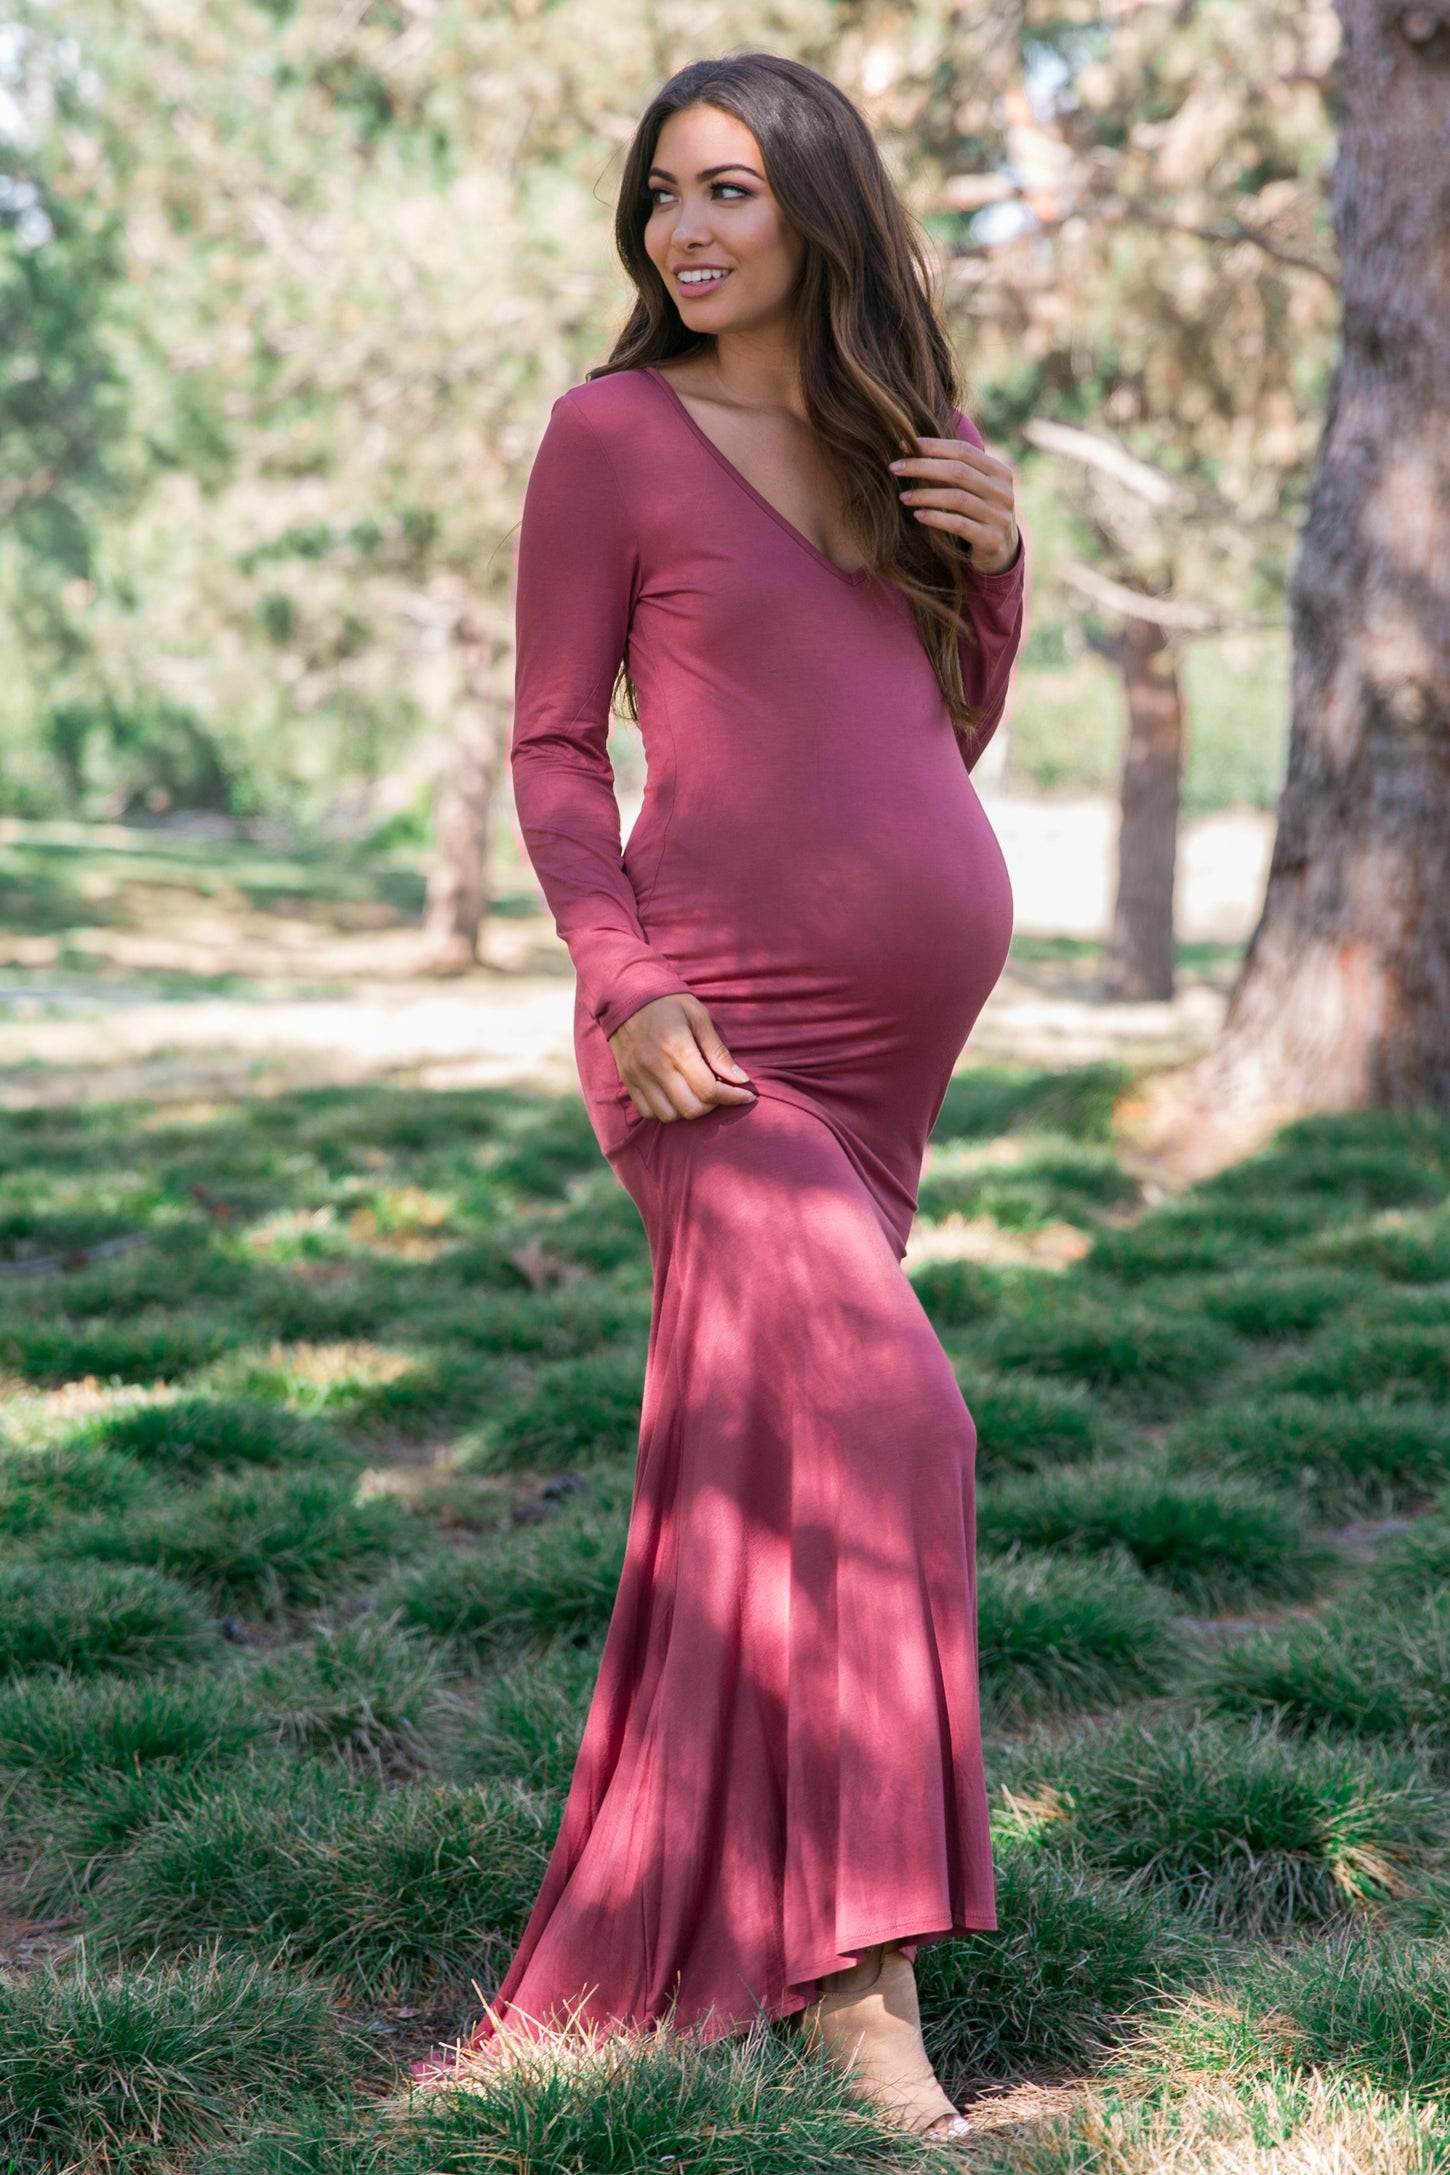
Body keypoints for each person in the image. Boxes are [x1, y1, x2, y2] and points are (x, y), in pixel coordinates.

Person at [427, 50, 1024, 2144]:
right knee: (898, 1426)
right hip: (707, 1036)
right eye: (664, 194)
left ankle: (713, 1925)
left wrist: (995, 569)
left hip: (881, 1071)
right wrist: (624, 977)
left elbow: (929, 731)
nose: (682, 230)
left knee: (783, 1486)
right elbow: (552, 749)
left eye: (729, 191)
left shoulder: (912, 442)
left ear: (818, 210)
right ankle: (865, 2010)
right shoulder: (610, 434)